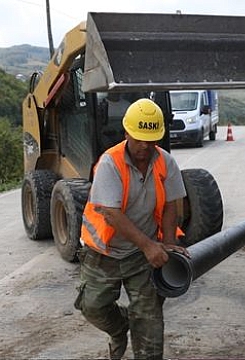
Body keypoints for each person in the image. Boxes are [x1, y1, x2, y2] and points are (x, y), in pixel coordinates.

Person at [74, 98, 189, 360]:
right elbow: (111, 214)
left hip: (142, 255)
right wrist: (149, 246)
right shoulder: (109, 163)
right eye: (139, 139)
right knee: (93, 306)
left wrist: (168, 243)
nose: (145, 146)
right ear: (126, 133)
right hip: (105, 253)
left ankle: (140, 333)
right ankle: (120, 327)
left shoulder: (165, 162)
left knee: (148, 321)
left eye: (151, 140)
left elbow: (173, 205)